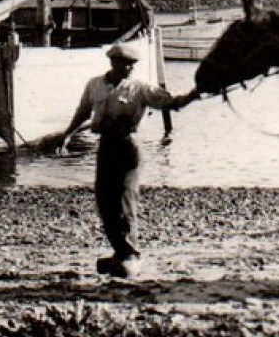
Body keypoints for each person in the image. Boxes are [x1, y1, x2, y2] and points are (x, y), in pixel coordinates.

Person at [58, 43, 198, 277]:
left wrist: (195, 94)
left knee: (125, 200)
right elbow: (83, 111)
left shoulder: (140, 88)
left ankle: (131, 255)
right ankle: (119, 252)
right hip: (105, 146)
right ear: (113, 63)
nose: (129, 69)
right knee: (104, 201)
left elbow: (172, 103)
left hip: (128, 146)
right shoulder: (95, 85)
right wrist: (67, 135)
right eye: (125, 64)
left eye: (132, 65)